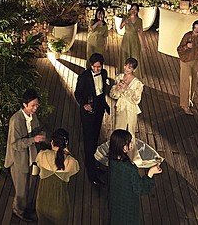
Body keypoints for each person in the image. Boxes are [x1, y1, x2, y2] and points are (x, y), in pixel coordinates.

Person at [4, 89, 46, 222]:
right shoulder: (15, 121)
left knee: (27, 185)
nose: (35, 108)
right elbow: (14, 145)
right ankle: (18, 211)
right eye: (33, 105)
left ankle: (24, 206)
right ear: (24, 105)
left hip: (28, 157)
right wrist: (33, 140)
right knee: (21, 188)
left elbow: (37, 129)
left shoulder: (33, 116)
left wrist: (42, 134)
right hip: (18, 160)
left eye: (37, 105)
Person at [107, 129, 162, 225]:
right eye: (129, 142)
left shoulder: (112, 160)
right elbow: (140, 188)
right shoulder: (130, 169)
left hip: (116, 200)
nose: (132, 143)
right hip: (128, 203)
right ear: (123, 148)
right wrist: (150, 173)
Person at [75, 53, 110, 185]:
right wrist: (84, 104)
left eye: (99, 67)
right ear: (90, 66)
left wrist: (105, 105)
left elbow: (101, 93)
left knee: (95, 138)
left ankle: (94, 167)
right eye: (94, 67)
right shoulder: (84, 77)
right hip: (88, 112)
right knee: (89, 142)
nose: (97, 70)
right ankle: (91, 174)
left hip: (99, 109)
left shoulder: (104, 73)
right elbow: (77, 94)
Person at [35, 128, 80, 225]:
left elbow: (38, 163)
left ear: (52, 142)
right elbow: (76, 169)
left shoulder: (42, 155)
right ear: (66, 144)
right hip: (59, 207)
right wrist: (68, 153)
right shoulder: (70, 161)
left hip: (42, 204)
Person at [107, 58, 143, 139]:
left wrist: (126, 88)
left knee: (130, 132)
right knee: (118, 129)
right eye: (125, 66)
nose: (126, 69)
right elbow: (113, 95)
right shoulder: (119, 77)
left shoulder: (137, 83)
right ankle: (117, 149)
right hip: (120, 106)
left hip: (131, 108)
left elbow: (136, 99)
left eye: (129, 68)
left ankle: (130, 150)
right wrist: (117, 88)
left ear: (134, 69)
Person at [177, 20, 198, 116]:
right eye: (195, 28)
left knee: (193, 82)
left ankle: (189, 100)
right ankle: (184, 105)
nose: (196, 30)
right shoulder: (187, 36)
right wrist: (186, 46)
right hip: (186, 60)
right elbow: (179, 49)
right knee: (186, 82)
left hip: (196, 62)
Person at [120, 4, 144, 78]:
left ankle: (135, 76)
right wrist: (124, 22)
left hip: (134, 40)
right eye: (132, 9)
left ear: (137, 11)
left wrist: (143, 44)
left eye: (135, 9)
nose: (133, 11)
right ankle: (124, 74)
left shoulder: (139, 20)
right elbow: (120, 27)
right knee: (125, 56)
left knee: (135, 57)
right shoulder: (125, 18)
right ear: (130, 10)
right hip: (126, 39)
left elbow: (141, 33)